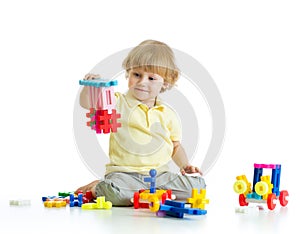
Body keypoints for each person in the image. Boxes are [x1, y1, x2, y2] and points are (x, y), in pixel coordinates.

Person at [76, 40, 206, 206]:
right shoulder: (117, 102)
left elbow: (175, 147)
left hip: (159, 177)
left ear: (166, 82)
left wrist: (185, 165)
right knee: (113, 193)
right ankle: (97, 188)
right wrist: (89, 88)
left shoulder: (168, 114)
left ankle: (130, 193)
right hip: (125, 175)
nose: (142, 82)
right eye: (137, 74)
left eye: (151, 78)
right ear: (128, 73)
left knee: (197, 189)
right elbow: (87, 103)